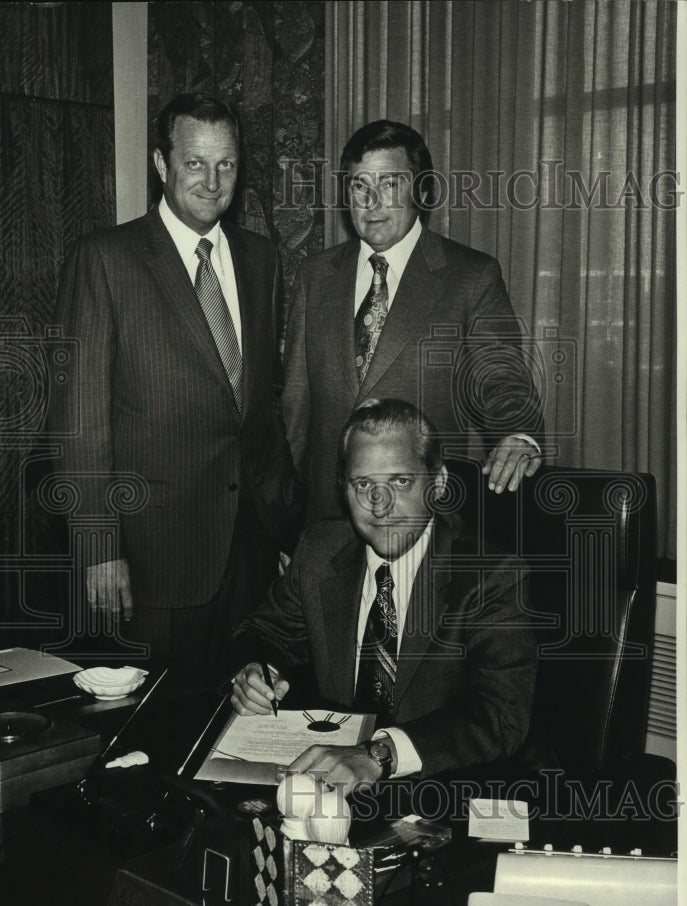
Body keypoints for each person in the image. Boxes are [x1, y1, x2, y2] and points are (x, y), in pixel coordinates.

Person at [50, 93, 301, 679]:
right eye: (195, 163)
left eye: (227, 165)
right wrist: (98, 548)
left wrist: (290, 527)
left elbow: (260, 409)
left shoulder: (262, 260)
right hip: (153, 555)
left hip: (252, 549)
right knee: (163, 725)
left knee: (245, 725)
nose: (213, 182)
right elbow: (79, 420)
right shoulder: (106, 259)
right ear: (162, 165)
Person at [228, 398, 538, 796]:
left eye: (400, 482)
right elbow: (264, 630)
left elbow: (500, 716)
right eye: (363, 485)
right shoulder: (322, 549)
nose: (380, 503)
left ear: (438, 482)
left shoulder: (491, 576)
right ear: (344, 487)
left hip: (444, 789)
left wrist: (379, 754)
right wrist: (257, 668)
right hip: (332, 786)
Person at [282, 119, 544, 524]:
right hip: (325, 518)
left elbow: (501, 379)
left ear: (421, 190)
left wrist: (518, 433)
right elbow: (295, 408)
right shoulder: (315, 275)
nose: (371, 202)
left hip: (424, 518)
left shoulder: (470, 276)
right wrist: (288, 518)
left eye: (388, 184)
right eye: (358, 186)